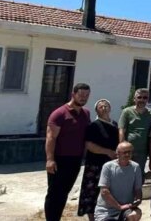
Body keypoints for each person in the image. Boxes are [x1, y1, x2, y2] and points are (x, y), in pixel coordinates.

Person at [45, 82, 91, 221]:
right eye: (81, 95)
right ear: (73, 94)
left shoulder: (86, 113)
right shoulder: (59, 114)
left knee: (64, 192)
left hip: (75, 159)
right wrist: (50, 159)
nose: (83, 98)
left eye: (86, 95)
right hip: (59, 160)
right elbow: (51, 137)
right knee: (54, 193)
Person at [78, 99, 120, 220]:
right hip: (95, 164)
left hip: (111, 164)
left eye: (106, 106)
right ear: (96, 110)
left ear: (110, 108)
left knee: (108, 191)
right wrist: (107, 152)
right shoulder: (93, 126)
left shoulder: (115, 125)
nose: (104, 108)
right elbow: (89, 145)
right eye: (101, 106)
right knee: (92, 192)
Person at [94, 142, 144, 221]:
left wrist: (138, 200)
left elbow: (138, 189)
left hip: (126, 208)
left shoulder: (136, 167)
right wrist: (119, 207)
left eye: (129, 152)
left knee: (135, 215)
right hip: (106, 210)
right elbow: (104, 191)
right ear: (118, 153)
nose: (127, 155)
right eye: (124, 152)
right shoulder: (108, 167)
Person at [118, 88, 151, 170]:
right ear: (134, 99)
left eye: (145, 98)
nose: (142, 100)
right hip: (128, 150)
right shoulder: (127, 112)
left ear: (147, 100)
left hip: (143, 152)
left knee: (139, 173)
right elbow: (121, 130)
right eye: (139, 97)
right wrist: (123, 148)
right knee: (125, 171)